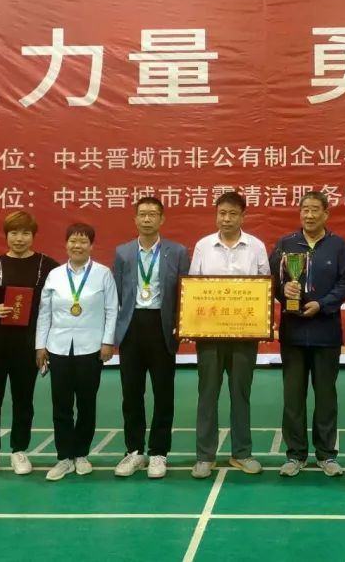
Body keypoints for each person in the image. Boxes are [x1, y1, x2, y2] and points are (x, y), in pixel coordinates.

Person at [0, 212, 59, 480]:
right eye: (14, 233)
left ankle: (19, 450)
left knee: (23, 399)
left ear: (33, 235)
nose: (20, 238)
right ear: (6, 235)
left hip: (28, 343)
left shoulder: (47, 266)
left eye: (25, 233)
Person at [269, 191, 345, 478]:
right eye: (305, 209)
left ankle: (327, 454)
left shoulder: (339, 246)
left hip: (326, 333)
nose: (309, 214)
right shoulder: (285, 244)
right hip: (293, 333)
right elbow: (272, 282)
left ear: (326, 213)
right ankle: (295, 455)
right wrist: (284, 290)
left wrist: (323, 304)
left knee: (326, 397)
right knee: (293, 397)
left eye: (315, 209)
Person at [188, 192, 270, 479]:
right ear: (216, 215)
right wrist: (191, 323)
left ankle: (242, 453)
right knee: (207, 395)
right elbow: (194, 288)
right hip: (209, 337)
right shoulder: (203, 246)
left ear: (243, 216)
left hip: (244, 337)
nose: (226, 218)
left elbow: (264, 288)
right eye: (222, 213)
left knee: (241, 395)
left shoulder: (256, 247)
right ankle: (204, 456)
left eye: (233, 213)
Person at [111, 197, 190, 479]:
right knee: (131, 393)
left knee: (163, 393)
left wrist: (182, 326)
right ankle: (134, 451)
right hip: (132, 327)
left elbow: (184, 293)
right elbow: (117, 293)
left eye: (152, 214)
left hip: (162, 326)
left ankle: (159, 452)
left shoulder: (177, 252)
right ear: (135, 219)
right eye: (142, 214)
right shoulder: (123, 253)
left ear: (162, 219)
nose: (147, 219)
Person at [35, 223, 118, 482]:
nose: (77, 246)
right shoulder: (55, 275)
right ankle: (64, 457)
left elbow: (112, 309)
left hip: (90, 348)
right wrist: (40, 345)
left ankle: (81, 454)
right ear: (66, 244)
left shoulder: (103, 274)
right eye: (73, 241)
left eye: (83, 241)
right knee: (61, 405)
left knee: (86, 403)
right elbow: (44, 312)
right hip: (58, 347)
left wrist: (107, 342)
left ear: (91, 246)